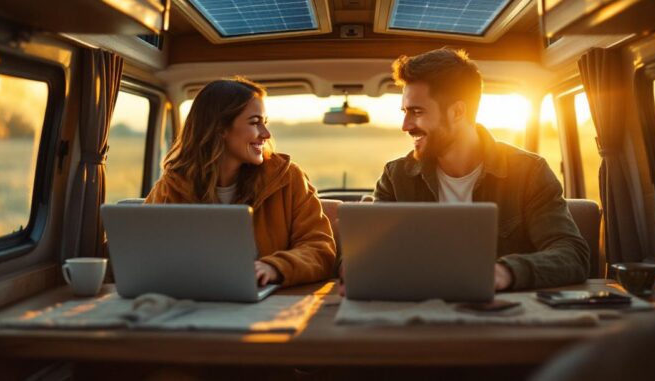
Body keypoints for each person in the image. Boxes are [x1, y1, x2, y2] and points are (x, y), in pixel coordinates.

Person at [373, 47, 589, 291]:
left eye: (417, 111)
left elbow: (572, 255)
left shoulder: (529, 173)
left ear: (457, 112)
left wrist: (505, 272)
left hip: (501, 316)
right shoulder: (395, 177)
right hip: (415, 311)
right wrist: (355, 267)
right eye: (405, 111)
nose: (405, 125)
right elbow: (361, 253)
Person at [145, 78, 336, 287]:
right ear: (220, 128)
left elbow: (320, 248)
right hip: (193, 297)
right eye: (255, 123)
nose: (266, 134)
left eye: (265, 122)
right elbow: (140, 247)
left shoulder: (288, 179)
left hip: (267, 304)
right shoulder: (172, 186)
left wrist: (274, 267)